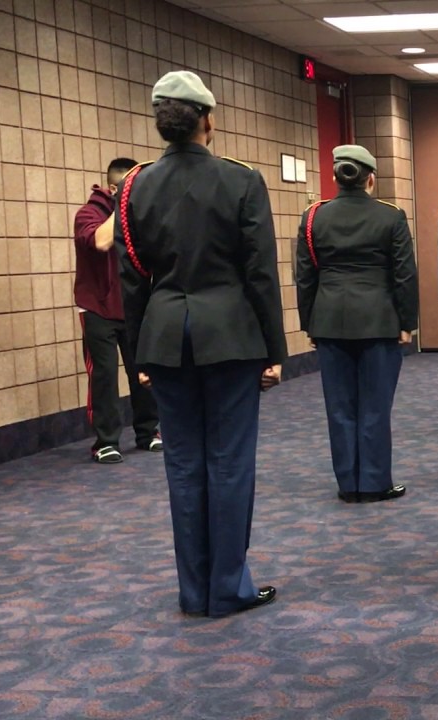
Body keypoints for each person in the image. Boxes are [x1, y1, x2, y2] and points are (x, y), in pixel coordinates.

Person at [117, 71, 284, 617]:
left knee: (184, 465)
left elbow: (132, 276)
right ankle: (228, 587)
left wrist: (141, 353)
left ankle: (194, 591)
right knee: (230, 462)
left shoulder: (135, 185)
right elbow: (259, 272)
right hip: (231, 335)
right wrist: (275, 350)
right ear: (208, 120)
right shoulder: (241, 180)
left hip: (165, 337)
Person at [296, 144, 418, 504]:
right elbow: (404, 275)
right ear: (371, 179)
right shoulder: (391, 216)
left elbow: (305, 276)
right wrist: (407, 321)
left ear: (335, 177)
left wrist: (309, 324)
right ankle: (375, 482)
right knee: (376, 406)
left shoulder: (314, 216)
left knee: (340, 406)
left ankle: (348, 483)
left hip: (329, 319)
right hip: (380, 320)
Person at [73, 157, 161, 464]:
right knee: (105, 375)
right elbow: (100, 241)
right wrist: (124, 204)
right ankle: (106, 441)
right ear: (115, 189)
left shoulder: (138, 215)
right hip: (97, 307)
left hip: (133, 307)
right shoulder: (88, 213)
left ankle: (148, 432)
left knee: (144, 371)